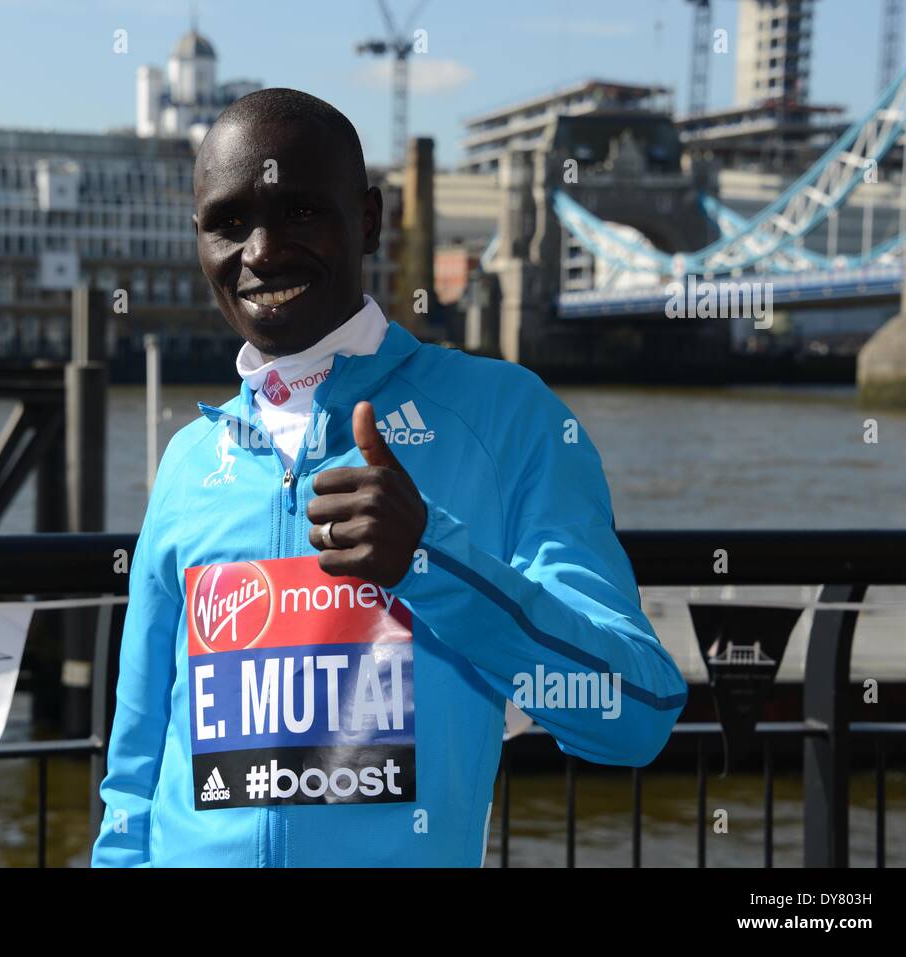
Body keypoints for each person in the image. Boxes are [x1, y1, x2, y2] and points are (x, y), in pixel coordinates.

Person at [92, 88, 686, 867]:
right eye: (228, 223)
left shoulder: (507, 417)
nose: (262, 252)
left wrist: (429, 559)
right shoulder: (189, 459)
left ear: (368, 219)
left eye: (300, 211)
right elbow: (135, 775)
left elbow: (633, 712)